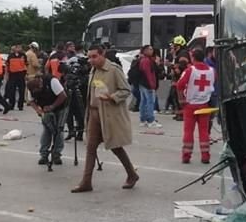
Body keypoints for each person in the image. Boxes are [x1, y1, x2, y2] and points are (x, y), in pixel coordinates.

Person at [72, 44, 138, 193]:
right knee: (90, 147)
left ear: (103, 55)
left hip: (108, 115)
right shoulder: (93, 70)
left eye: (94, 56)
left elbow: (126, 90)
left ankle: (132, 174)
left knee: (116, 147)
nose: (91, 60)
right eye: (89, 57)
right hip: (94, 114)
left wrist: (112, 97)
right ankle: (86, 182)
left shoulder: (113, 70)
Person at [176, 48, 216, 163]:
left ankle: (186, 156)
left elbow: (179, 85)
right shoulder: (212, 71)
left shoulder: (190, 70)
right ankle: (205, 156)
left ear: (193, 58)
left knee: (188, 131)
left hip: (190, 105)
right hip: (204, 104)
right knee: (204, 132)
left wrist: (181, 100)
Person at [28, 73, 68, 166]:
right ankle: (44, 154)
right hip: (45, 108)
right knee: (47, 129)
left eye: (39, 89)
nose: (38, 92)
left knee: (59, 129)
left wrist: (52, 106)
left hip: (61, 106)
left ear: (41, 84)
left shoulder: (52, 81)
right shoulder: (31, 88)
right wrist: (38, 110)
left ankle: (56, 154)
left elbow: (63, 96)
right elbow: (31, 101)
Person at [136, 44, 161, 127]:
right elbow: (148, 74)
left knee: (143, 101)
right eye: (150, 49)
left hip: (142, 83)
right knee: (150, 102)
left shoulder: (141, 59)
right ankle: (151, 120)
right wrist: (152, 84)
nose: (152, 51)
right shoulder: (146, 60)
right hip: (147, 84)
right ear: (145, 50)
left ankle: (143, 119)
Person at [4, 44, 28, 112]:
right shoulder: (10, 56)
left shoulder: (23, 55)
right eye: (17, 47)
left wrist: (26, 74)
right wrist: (7, 75)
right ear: (15, 48)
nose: (19, 49)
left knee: (22, 90)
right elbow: (7, 65)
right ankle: (11, 104)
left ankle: (20, 105)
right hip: (12, 75)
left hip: (21, 75)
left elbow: (26, 65)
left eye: (20, 47)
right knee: (12, 91)